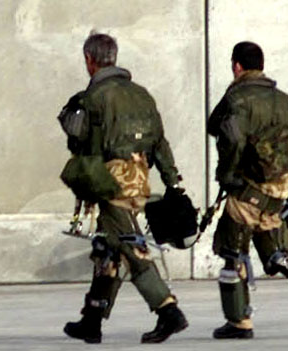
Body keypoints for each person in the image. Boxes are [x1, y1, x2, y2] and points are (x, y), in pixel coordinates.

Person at [58, 32, 189, 344]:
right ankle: (91, 320)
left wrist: (84, 186)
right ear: (113, 58)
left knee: (130, 247)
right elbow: (159, 141)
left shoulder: (93, 98)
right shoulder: (142, 94)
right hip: (139, 174)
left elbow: (81, 142)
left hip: (111, 178)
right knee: (108, 248)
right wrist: (173, 182)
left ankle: (167, 310)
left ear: (90, 61)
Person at [206, 41, 288, 339]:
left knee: (231, 250)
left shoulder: (236, 98)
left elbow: (222, 132)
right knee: (272, 249)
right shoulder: (284, 100)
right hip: (278, 189)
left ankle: (239, 322)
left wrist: (227, 176)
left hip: (247, 187)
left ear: (237, 66)